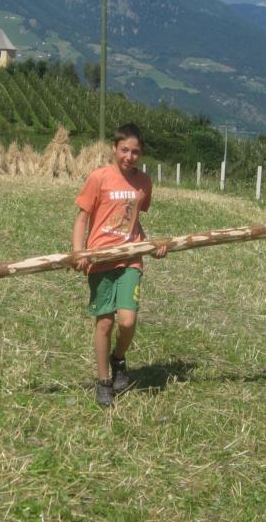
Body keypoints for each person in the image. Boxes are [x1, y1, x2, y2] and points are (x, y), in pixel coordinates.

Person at [72, 123, 167, 407]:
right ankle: (104, 382)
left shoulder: (144, 183)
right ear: (114, 148)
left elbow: (134, 220)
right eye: (124, 150)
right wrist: (79, 252)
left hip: (130, 259)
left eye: (135, 152)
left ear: (141, 154)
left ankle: (119, 359)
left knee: (127, 320)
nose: (129, 156)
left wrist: (150, 246)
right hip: (100, 259)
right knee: (104, 322)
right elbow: (82, 218)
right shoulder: (99, 178)